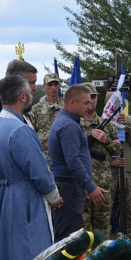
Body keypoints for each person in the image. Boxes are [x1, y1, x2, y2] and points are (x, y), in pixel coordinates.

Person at [0, 76, 63, 260]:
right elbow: (40, 172)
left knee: (7, 250)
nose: (33, 95)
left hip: (5, 195)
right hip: (26, 199)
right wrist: (54, 198)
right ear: (22, 96)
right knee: (30, 252)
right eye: (31, 92)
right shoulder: (20, 130)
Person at [49, 84, 106, 242]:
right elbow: (72, 161)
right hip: (68, 187)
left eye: (90, 102)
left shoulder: (68, 121)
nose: (89, 107)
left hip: (70, 185)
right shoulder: (69, 126)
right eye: (86, 103)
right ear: (72, 102)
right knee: (68, 240)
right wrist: (89, 186)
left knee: (66, 234)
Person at [80, 83, 122, 238]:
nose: (90, 100)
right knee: (81, 230)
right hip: (81, 184)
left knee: (102, 229)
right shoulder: (74, 124)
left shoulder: (108, 125)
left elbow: (118, 150)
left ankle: (101, 259)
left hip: (103, 185)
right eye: (87, 97)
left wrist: (106, 141)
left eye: (93, 96)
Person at [107, 91, 131, 236]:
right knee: (106, 206)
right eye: (111, 101)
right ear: (106, 103)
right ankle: (106, 236)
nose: (115, 104)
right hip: (107, 171)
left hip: (127, 169)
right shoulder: (100, 121)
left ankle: (127, 235)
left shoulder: (130, 120)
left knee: (127, 205)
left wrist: (126, 129)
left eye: (118, 101)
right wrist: (110, 161)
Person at [30, 73, 63, 160]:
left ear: (59, 85)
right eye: (49, 85)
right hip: (43, 157)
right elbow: (31, 133)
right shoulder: (36, 109)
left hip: (63, 157)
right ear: (43, 86)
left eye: (56, 84)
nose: (53, 88)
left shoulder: (67, 107)